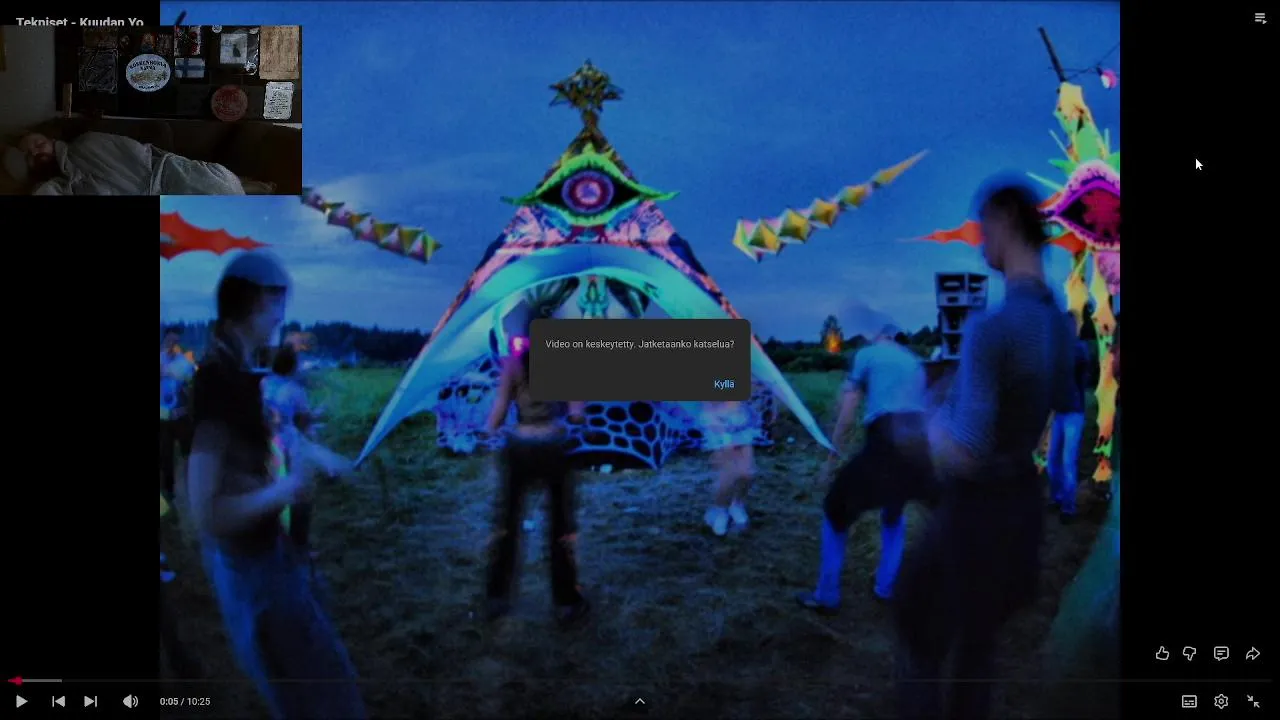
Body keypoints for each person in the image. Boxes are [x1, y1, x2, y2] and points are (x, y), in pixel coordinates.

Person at [894, 179, 1076, 720]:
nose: (979, 246)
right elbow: (1059, 399)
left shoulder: (992, 327)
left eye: (983, 229)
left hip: (975, 514)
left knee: (915, 619)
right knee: (978, 645)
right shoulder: (1059, 324)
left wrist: (924, 419)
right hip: (1022, 510)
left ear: (1005, 220)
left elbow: (965, 452)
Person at [186, 251, 365, 719]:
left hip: (270, 556)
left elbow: (269, 438)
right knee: (321, 700)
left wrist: (318, 456)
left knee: (325, 683)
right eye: (275, 301)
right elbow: (206, 510)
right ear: (251, 303)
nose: (282, 316)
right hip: (254, 573)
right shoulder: (217, 381)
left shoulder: (241, 372)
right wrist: (284, 491)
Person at [794, 325, 932, 613]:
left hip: (886, 441)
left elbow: (847, 416)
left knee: (834, 510)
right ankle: (886, 586)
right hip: (919, 449)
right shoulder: (915, 362)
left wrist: (830, 462)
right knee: (893, 514)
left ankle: (826, 595)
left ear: (877, 336)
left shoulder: (868, 354)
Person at [483, 312, 590, 626]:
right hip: (554, 448)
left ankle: (497, 597)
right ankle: (566, 603)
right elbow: (577, 414)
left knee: (508, 524)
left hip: (519, 447)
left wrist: (487, 434)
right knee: (560, 527)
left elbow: (497, 414)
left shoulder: (512, 364)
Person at [17, 130, 245, 195]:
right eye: (29, 154)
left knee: (224, 191)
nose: (36, 152)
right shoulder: (62, 182)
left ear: (52, 140)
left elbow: (135, 157)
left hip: (165, 173)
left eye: (38, 144)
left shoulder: (85, 143)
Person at [1046, 310, 1097, 522]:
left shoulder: (1079, 349)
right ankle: (1056, 497)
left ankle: (1069, 508)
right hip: (1060, 413)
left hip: (1074, 414)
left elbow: (1072, 364)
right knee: (1052, 460)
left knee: (1068, 461)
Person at [700, 400, 756, 536]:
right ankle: (720, 510)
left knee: (747, 473)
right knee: (729, 476)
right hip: (718, 423)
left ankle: (736, 504)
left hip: (741, 422)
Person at [159, 326, 196, 499]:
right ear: (164, 340)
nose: (172, 344)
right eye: (169, 340)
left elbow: (190, 383)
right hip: (162, 417)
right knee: (165, 455)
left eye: (176, 341)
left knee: (188, 453)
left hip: (181, 415)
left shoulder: (185, 361)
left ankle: (193, 489)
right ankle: (169, 491)